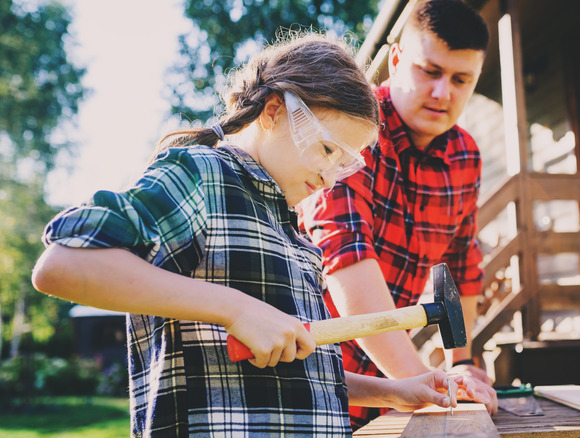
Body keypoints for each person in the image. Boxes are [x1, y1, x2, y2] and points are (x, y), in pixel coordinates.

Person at [31, 32, 478, 437]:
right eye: (326, 149)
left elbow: (302, 368)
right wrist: (235, 310)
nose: (329, 177)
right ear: (272, 112)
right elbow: (63, 262)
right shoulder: (203, 175)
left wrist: (394, 391)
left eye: (345, 164)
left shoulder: (296, 236)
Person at [298, 0, 498, 429]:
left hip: (389, 387)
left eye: (460, 79)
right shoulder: (349, 129)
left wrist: (461, 363)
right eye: (430, 71)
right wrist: (422, 383)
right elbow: (344, 255)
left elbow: (461, 265)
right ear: (395, 59)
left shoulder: (466, 155)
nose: (443, 92)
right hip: (309, 377)